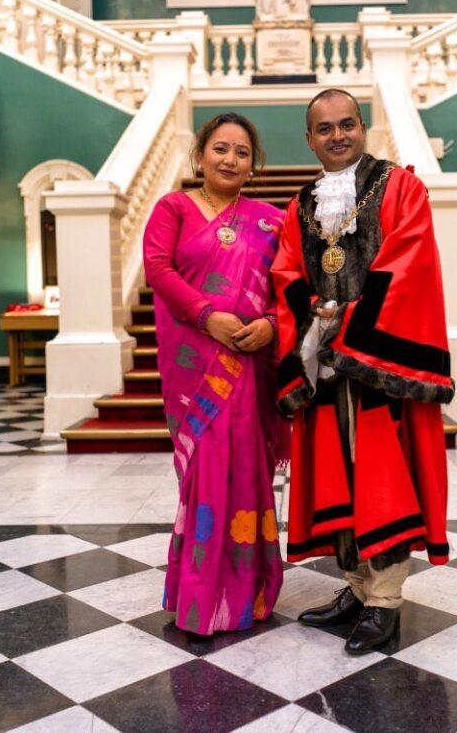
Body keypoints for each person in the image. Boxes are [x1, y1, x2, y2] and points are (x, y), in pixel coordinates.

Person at [271, 89, 454, 654]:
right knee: (336, 475)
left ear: (363, 126)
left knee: (381, 476)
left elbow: (410, 261)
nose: (337, 136)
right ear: (309, 140)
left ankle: (386, 601)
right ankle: (355, 585)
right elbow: (285, 269)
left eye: (346, 124)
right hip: (324, 365)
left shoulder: (400, 187)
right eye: (323, 129)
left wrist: (351, 318)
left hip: (379, 364)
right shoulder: (300, 205)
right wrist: (310, 308)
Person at [143, 112, 289, 636]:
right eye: (221, 149)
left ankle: (248, 591)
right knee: (206, 470)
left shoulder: (273, 220)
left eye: (242, 152)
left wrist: (271, 326)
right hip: (194, 365)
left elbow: (288, 288)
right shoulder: (173, 207)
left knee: (248, 470)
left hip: (249, 365)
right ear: (200, 154)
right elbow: (158, 269)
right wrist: (208, 316)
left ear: (254, 164)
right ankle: (201, 595)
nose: (231, 159)